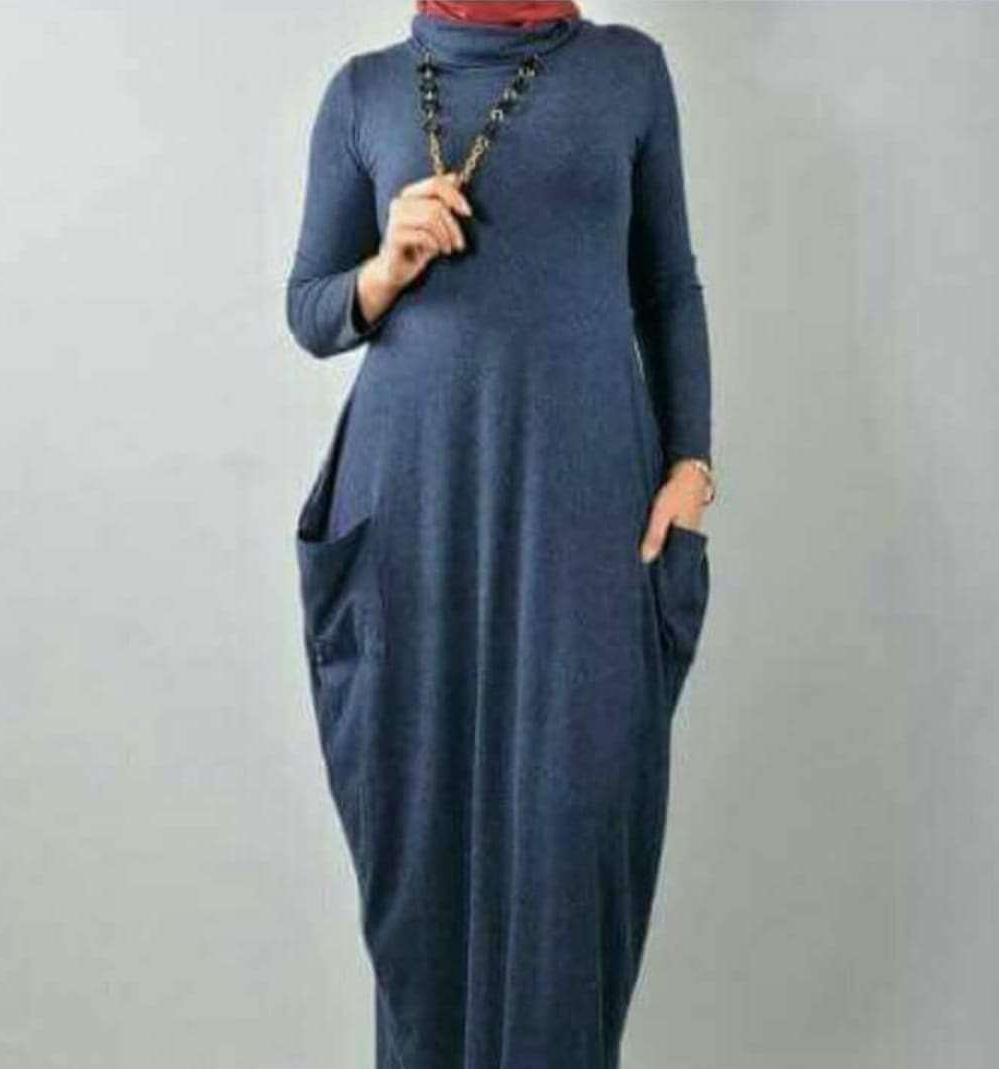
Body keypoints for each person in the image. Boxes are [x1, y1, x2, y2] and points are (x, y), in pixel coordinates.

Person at [286, 2, 715, 1065]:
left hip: (585, 507)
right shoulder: (363, 92)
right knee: (420, 843)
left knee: (575, 840)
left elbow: (667, 285)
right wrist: (383, 269)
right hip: (414, 512)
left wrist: (690, 463)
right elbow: (310, 306)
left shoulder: (626, 72)